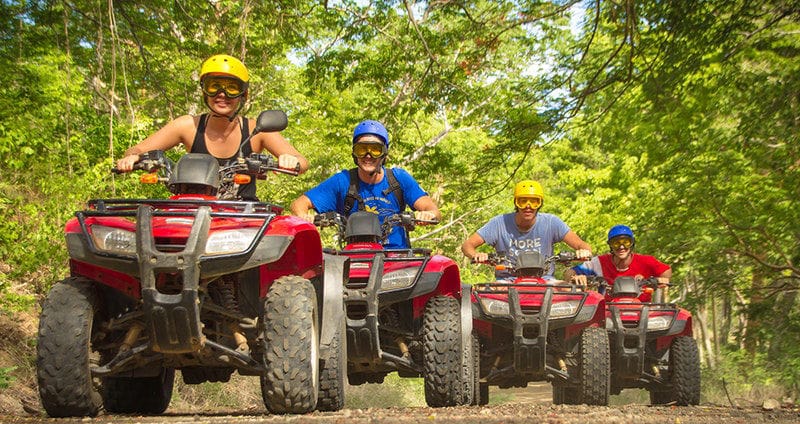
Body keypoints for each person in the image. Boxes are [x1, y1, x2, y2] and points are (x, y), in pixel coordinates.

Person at [114, 54, 308, 200]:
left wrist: (289, 159)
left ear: (243, 95)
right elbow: (138, 149)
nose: (221, 94)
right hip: (192, 211)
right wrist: (133, 157)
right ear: (204, 91)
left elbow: (303, 162)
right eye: (214, 86)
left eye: (231, 88)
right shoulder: (188, 126)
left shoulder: (256, 130)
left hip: (245, 218)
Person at [289, 120, 440, 249]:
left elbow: (433, 210)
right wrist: (304, 216)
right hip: (355, 257)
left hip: (397, 258)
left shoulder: (399, 178)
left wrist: (427, 215)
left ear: (384, 153)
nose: (368, 156)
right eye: (362, 149)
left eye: (375, 149)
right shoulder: (342, 181)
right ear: (354, 153)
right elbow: (299, 204)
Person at [461, 180, 592, 280]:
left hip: (545, 280)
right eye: (522, 201)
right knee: (482, 300)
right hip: (507, 280)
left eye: (534, 202)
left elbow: (583, 245)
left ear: (540, 203)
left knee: (570, 294)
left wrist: (583, 251)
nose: (528, 207)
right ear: (515, 203)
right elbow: (467, 245)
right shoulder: (499, 223)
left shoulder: (551, 222)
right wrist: (476, 255)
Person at [565, 224, 672, 301]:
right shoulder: (599, 263)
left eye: (626, 242)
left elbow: (666, 271)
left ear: (632, 244)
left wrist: (661, 279)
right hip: (608, 311)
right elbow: (569, 273)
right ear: (610, 245)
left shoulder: (646, 261)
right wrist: (576, 278)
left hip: (642, 308)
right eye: (616, 243)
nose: (621, 247)